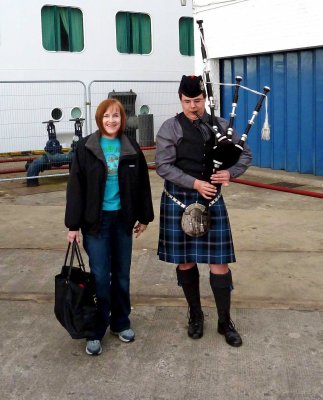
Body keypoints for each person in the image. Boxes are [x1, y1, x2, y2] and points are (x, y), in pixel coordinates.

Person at [155, 75, 252, 347]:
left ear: (204, 100)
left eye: (197, 101)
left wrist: (230, 173)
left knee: (219, 264)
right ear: (180, 100)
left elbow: (245, 154)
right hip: (178, 200)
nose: (193, 106)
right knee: (185, 261)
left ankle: (224, 321)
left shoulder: (221, 125)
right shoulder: (169, 128)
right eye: (187, 101)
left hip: (211, 201)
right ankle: (195, 315)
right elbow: (163, 166)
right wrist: (195, 183)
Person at [65, 98, 154, 355]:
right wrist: (73, 225)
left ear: (122, 120)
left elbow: (142, 184)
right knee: (101, 277)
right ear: (99, 119)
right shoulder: (87, 147)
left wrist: (144, 217)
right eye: (107, 116)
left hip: (122, 221)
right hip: (96, 223)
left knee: (122, 276)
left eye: (116, 116)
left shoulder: (131, 147)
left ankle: (121, 322)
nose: (111, 120)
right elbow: (76, 188)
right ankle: (96, 329)